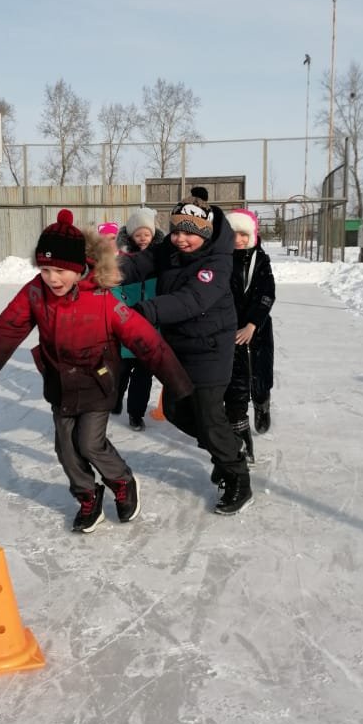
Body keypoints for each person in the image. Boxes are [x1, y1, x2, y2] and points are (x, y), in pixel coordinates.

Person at [0, 209, 193, 533]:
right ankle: (87, 494)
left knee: (89, 443)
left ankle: (122, 481)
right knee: (65, 448)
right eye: (44, 269)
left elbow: (145, 340)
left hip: (98, 381)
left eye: (60, 270)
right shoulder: (35, 292)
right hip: (59, 381)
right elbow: (7, 328)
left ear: (78, 267)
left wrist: (178, 384)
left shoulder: (102, 298)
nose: (52, 278)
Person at [117, 187, 253, 515]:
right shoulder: (168, 249)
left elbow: (192, 301)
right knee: (177, 411)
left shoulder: (218, 262)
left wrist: (142, 311)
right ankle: (227, 448)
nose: (180, 239)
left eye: (188, 234)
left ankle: (237, 476)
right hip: (178, 346)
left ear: (205, 234)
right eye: (175, 231)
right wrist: (104, 272)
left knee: (208, 414)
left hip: (210, 349)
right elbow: (138, 265)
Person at [223, 209, 276, 455]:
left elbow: (267, 293)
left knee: (259, 373)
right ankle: (239, 425)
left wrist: (253, 324)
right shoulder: (222, 259)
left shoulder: (261, 260)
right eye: (234, 234)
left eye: (244, 234)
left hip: (258, 328)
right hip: (232, 330)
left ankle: (262, 402)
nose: (239, 240)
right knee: (237, 380)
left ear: (252, 234)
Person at [113, 207, 164, 429]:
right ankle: (114, 400)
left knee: (143, 375)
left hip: (151, 326)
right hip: (127, 325)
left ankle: (136, 413)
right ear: (131, 236)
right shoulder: (122, 260)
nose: (143, 238)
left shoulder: (161, 258)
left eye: (147, 233)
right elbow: (113, 289)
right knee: (121, 371)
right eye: (138, 234)